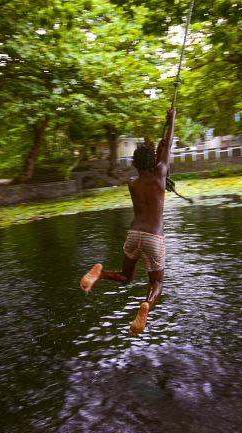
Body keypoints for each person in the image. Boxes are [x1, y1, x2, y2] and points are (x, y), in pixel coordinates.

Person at [80, 108, 176, 334]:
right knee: (156, 284)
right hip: (154, 237)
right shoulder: (160, 173)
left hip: (134, 235)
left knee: (125, 277)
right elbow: (168, 147)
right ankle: (146, 306)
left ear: (134, 164)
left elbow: (163, 155)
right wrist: (171, 120)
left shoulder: (132, 183)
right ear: (153, 161)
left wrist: (161, 149)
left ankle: (100, 274)